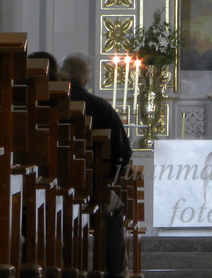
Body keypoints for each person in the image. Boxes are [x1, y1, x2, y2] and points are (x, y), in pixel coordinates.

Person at [59, 53, 131, 278]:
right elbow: (122, 152)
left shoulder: (39, 101)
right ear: (86, 80)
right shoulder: (98, 106)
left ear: (63, 73)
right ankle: (116, 272)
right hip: (89, 191)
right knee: (114, 207)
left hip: (37, 189)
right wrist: (106, 181)